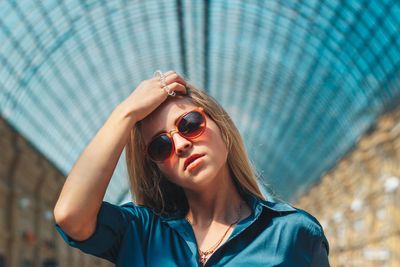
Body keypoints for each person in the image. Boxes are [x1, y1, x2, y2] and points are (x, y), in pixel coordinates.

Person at [54, 70, 330, 266]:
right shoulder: (140, 232)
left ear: (221, 126)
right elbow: (70, 215)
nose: (182, 145)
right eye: (161, 146)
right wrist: (126, 112)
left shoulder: (294, 233)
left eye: (189, 124)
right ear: (159, 168)